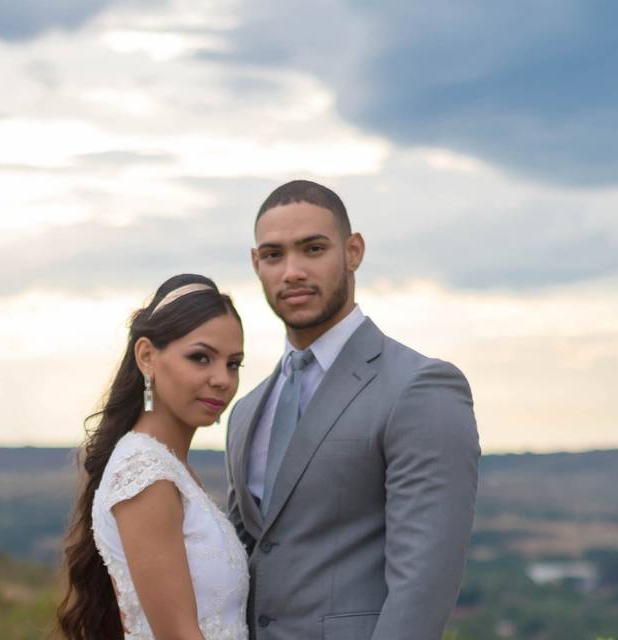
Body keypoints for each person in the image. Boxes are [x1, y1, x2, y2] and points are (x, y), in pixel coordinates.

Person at [226, 180, 481, 640]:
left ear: (353, 251)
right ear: (255, 264)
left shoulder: (420, 387)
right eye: (274, 255)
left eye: (313, 249)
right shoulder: (246, 410)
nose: (292, 271)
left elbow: (423, 585)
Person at [59, 274, 250, 640]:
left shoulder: (171, 468)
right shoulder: (145, 472)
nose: (222, 379)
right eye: (201, 358)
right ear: (147, 356)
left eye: (233, 363)